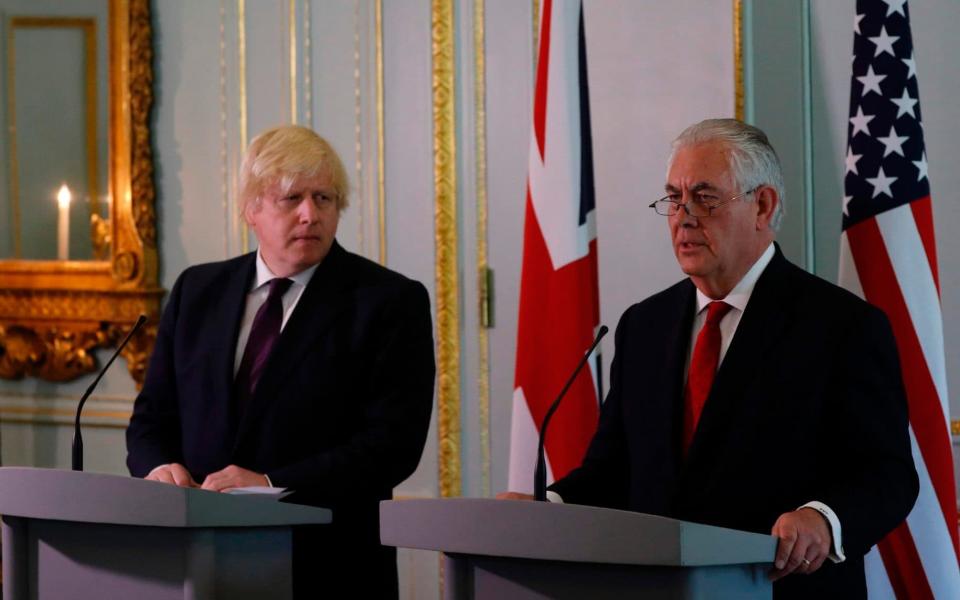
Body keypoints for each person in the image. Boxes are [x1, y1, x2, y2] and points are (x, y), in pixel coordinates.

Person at [501, 119, 917, 598]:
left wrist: (821, 520)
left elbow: (886, 475)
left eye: (705, 197)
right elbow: (613, 471)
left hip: (779, 587)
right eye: (673, 199)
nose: (683, 217)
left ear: (762, 205)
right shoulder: (644, 325)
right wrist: (547, 507)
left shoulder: (841, 325)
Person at [126, 124, 435, 598]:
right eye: (292, 199)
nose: (311, 215)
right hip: (192, 557)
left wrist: (271, 483)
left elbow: (392, 445)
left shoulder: (388, 302)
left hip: (325, 564)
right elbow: (152, 418)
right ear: (251, 208)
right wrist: (158, 468)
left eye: (325, 199)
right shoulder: (198, 291)